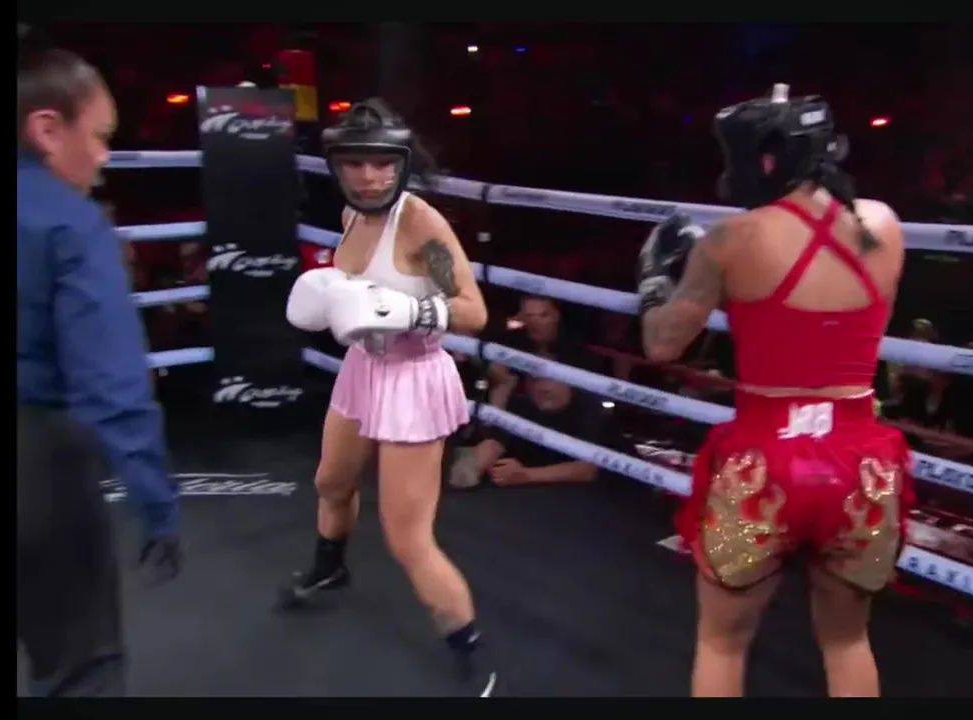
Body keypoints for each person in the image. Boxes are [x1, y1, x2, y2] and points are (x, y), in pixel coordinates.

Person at [638, 84, 911, 697]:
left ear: (765, 158)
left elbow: (662, 343)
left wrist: (656, 282)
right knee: (847, 641)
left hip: (766, 462)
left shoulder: (733, 239)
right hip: (860, 464)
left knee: (721, 643)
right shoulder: (885, 226)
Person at [280, 99, 496, 697]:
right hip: (363, 369)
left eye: (382, 164)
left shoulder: (419, 221)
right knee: (331, 482)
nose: (371, 177)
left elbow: (475, 311)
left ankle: (471, 651)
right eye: (355, 164)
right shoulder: (352, 214)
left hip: (413, 378)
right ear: (337, 166)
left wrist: (408, 309)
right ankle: (330, 569)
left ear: (401, 163)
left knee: (407, 536)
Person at [17, 41, 182, 697]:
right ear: (48, 129)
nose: (105, 157)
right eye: (100, 137)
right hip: (36, 463)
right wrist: (155, 500)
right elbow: (110, 379)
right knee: (82, 670)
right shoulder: (67, 223)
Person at [447, 377, 603, 489]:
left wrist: (526, 474)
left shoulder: (587, 407)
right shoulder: (521, 405)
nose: (540, 388)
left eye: (549, 380)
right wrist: (472, 467)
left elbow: (588, 470)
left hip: (577, 504)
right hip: (523, 500)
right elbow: (494, 443)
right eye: (534, 381)